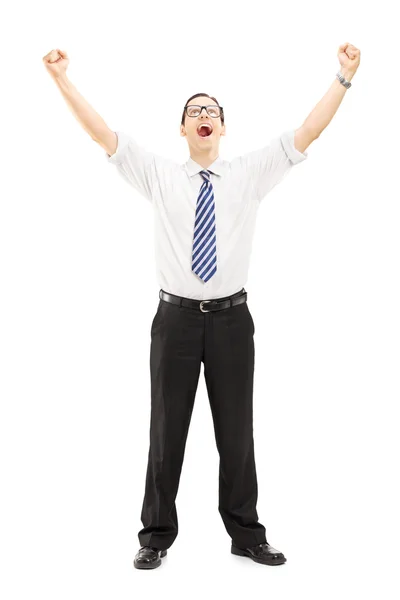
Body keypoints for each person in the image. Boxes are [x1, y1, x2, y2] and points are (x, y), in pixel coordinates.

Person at [42, 42, 360, 570]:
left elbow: (308, 132)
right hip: (176, 322)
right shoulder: (160, 173)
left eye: (211, 110)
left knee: (236, 431)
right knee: (166, 431)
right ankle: (156, 535)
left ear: (223, 127)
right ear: (183, 130)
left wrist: (344, 77)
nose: (203, 116)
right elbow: (102, 134)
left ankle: (245, 533)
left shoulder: (249, 173)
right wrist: (61, 81)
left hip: (233, 321)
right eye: (194, 111)